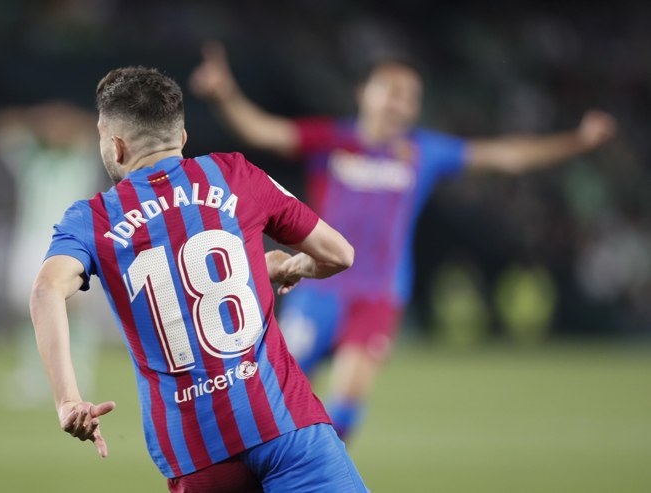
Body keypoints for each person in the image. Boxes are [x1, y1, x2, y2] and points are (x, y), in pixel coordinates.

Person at [189, 43, 617, 440]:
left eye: (409, 96)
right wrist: (225, 94)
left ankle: (315, 479)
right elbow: (263, 132)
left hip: (379, 293)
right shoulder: (332, 141)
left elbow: (505, 157)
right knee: (271, 396)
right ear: (363, 93)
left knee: (346, 404)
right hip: (317, 286)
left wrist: (577, 141)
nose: (400, 103)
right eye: (391, 91)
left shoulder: (423, 151)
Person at [29, 66, 368, 493]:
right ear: (182, 138)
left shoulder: (92, 220)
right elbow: (340, 253)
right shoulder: (236, 175)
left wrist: (68, 400)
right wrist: (290, 265)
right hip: (285, 426)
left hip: (195, 454)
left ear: (115, 146)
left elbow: (46, 290)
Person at [0, 102, 107, 407]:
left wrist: (66, 118)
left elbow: (94, 130)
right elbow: (1, 127)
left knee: (77, 310)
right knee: (33, 310)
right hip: (31, 243)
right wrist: (38, 118)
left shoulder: (80, 159)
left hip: (70, 240)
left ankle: (81, 370)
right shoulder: (31, 159)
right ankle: (34, 375)